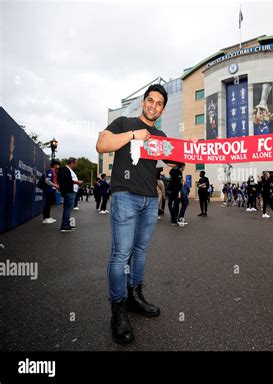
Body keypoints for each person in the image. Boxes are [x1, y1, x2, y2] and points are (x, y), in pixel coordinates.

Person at [96, 84, 181, 344]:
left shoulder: (161, 134)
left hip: (149, 200)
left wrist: (189, 150)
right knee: (121, 253)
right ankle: (118, 309)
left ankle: (134, 296)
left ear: (163, 109)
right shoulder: (125, 122)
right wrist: (135, 135)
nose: (154, 106)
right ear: (144, 102)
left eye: (159, 103)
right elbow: (102, 145)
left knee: (141, 251)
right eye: (150, 101)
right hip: (124, 196)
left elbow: (174, 161)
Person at [57, 157, 83, 232]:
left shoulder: (68, 170)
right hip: (69, 191)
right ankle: (64, 225)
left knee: (68, 208)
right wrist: (77, 182)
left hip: (71, 191)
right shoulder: (64, 169)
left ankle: (66, 224)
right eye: (75, 163)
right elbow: (65, 179)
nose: (76, 165)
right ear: (71, 163)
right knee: (68, 208)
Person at [42, 160, 60, 224]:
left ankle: (48, 217)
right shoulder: (50, 171)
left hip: (52, 190)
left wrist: (55, 187)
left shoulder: (55, 172)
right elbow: (47, 181)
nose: (59, 166)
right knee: (47, 204)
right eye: (58, 164)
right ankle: (45, 218)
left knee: (50, 204)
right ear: (54, 165)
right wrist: (55, 185)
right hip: (48, 190)